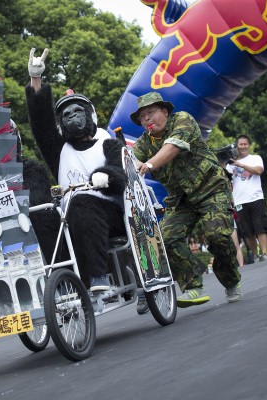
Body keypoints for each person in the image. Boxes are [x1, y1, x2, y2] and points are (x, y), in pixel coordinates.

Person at [25, 48, 127, 294]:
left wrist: (107, 176)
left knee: (82, 202)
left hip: (111, 213)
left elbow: (121, 175)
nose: (71, 117)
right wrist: (35, 80)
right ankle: (61, 281)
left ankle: (97, 275)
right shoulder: (60, 151)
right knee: (39, 215)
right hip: (70, 216)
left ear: (89, 115)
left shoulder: (109, 143)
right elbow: (42, 126)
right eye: (66, 115)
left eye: (77, 111)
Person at [131, 91, 242, 306]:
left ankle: (231, 280)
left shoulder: (182, 120)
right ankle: (193, 287)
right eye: (142, 117)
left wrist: (149, 164)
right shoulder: (144, 143)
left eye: (151, 113)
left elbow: (172, 147)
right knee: (166, 238)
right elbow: (129, 159)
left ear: (164, 111)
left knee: (217, 236)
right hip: (181, 200)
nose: (146, 119)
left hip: (211, 189)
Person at [225, 135, 267, 261]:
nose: (243, 146)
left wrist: (241, 165)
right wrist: (225, 163)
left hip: (256, 198)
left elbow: (258, 171)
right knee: (248, 231)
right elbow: (224, 179)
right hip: (240, 201)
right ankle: (255, 256)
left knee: (260, 227)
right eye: (241, 144)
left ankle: (264, 253)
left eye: (245, 144)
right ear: (237, 146)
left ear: (249, 145)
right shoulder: (231, 164)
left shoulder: (255, 158)